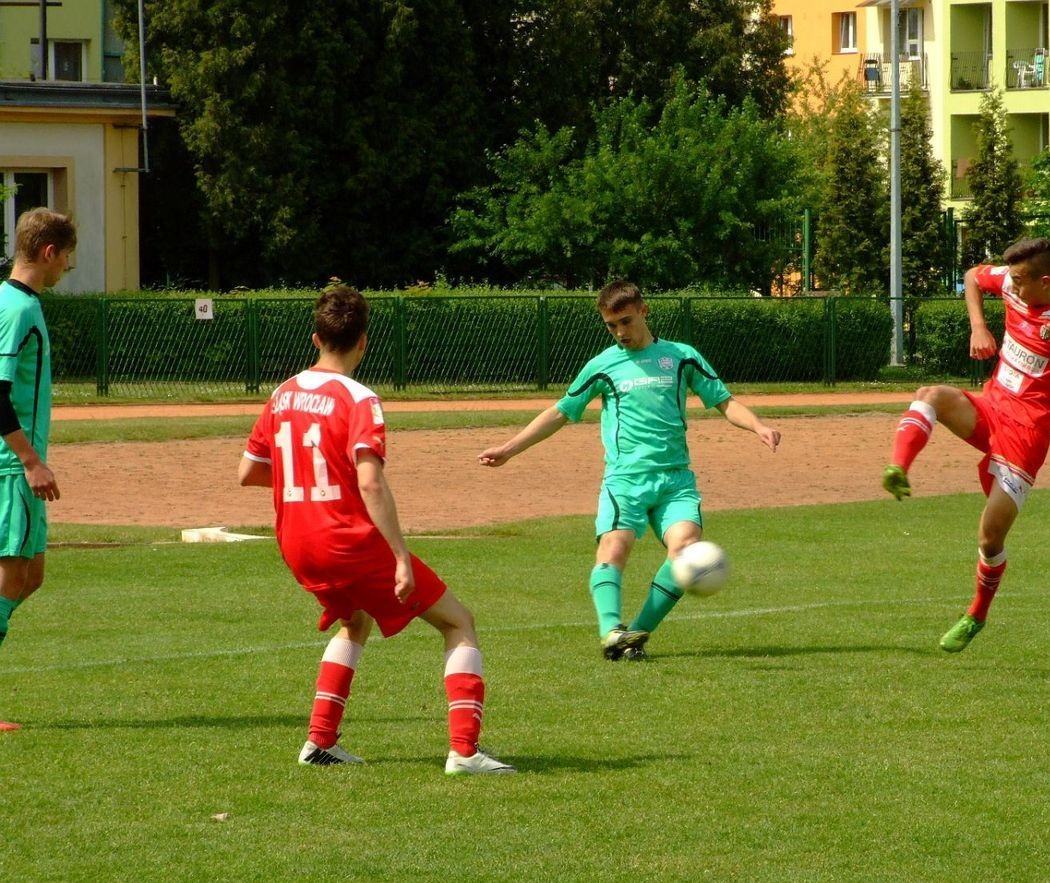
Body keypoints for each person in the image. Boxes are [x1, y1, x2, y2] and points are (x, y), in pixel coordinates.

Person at [239, 285, 513, 774]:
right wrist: (401, 557)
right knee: (459, 623)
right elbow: (370, 483)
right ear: (363, 342)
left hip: (297, 542)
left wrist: (309, 483)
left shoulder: (283, 393)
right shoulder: (360, 398)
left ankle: (320, 742)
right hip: (347, 541)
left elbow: (249, 471)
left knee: (355, 620)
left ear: (315, 338)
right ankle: (465, 752)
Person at [478, 280, 781, 661]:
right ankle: (610, 631)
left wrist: (758, 426)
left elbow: (724, 401)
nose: (620, 332)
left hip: (676, 481)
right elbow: (560, 412)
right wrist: (509, 448)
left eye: (625, 321)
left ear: (644, 311)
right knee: (614, 547)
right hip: (626, 480)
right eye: (611, 326)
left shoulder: (682, 357)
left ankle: (635, 633)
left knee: (685, 550)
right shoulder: (604, 366)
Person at [882, 237, 1050, 652]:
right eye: (1010, 279)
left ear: (1046, 281)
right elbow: (973, 278)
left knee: (989, 539)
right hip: (992, 404)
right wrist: (979, 326)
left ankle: (976, 613)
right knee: (930, 394)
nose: (1010, 287)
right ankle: (898, 469)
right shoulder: (1014, 285)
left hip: (1026, 434)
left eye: (1018, 280)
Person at [0, 208, 75, 732]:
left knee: (31, 576)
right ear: (49, 252)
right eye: (66, 257)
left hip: (19, 466)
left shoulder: (19, 302)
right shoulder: (18, 310)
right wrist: (30, 460)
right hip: (11, 468)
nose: (66, 267)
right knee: (11, 578)